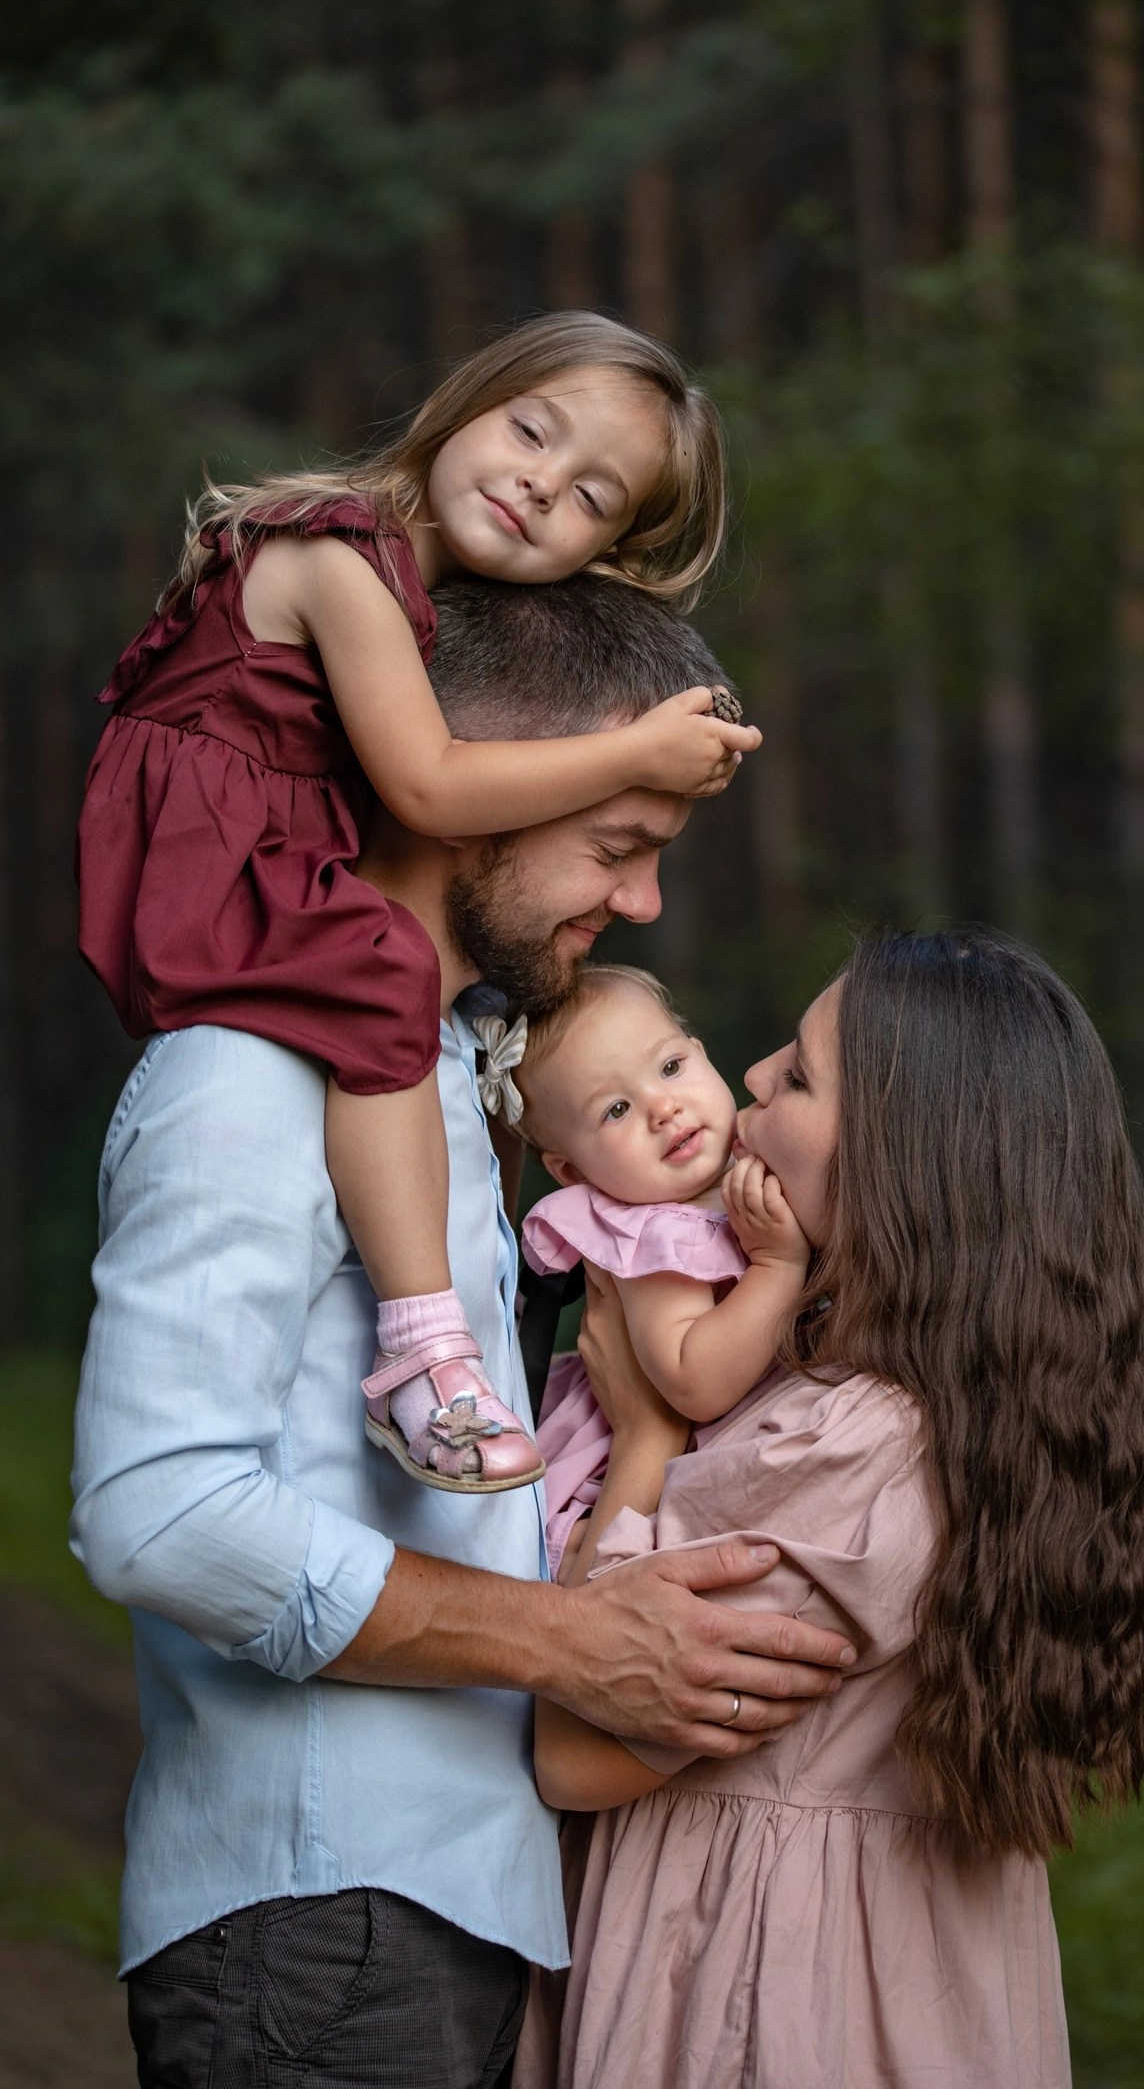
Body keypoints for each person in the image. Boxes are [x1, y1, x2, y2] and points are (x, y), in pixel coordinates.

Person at [70, 573, 853, 2089]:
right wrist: (575, 1644)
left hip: (438, 1910)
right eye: (618, 847)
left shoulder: (427, 1081)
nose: (642, 906)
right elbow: (155, 1513)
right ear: (467, 791)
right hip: (315, 1921)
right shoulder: (253, 1073)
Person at [76, 310, 760, 1492]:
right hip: (213, 854)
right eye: (531, 432)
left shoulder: (428, 611)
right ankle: (421, 1349)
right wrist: (636, 750)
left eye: (594, 498)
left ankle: (432, 1348)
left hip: (277, 847)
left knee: (393, 988)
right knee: (382, 968)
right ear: (466, 402)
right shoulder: (340, 564)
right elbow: (433, 784)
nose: (543, 489)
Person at [521, 929, 1144, 2089]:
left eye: (799, 1075)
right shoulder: (984, 1401)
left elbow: (577, 1755)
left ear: (902, 1158)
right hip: (919, 1979)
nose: (748, 1081)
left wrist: (642, 1436)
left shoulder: (846, 1449)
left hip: (770, 1994)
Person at [513, 964, 810, 1580]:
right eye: (617, 1109)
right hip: (625, 1495)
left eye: (671, 1068)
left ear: (699, 1055)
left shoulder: (751, 1173)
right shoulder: (647, 1237)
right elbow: (693, 1381)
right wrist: (780, 1266)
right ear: (570, 1172)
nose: (664, 1108)